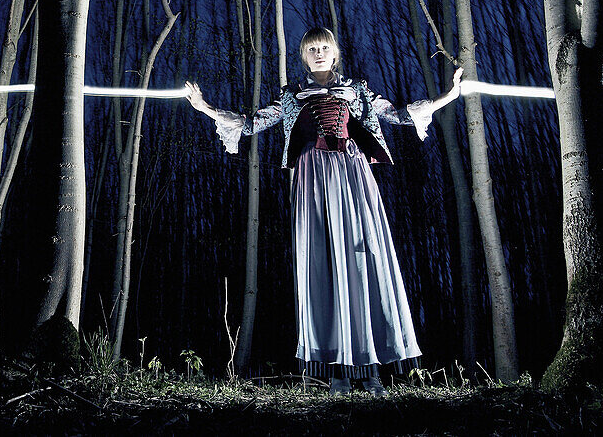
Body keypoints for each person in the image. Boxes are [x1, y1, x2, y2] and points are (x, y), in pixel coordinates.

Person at [185, 27, 462, 395]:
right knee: (323, 264)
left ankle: (369, 367)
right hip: (312, 177)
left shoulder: (358, 90)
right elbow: (252, 124)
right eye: (311, 48)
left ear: (335, 54)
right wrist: (204, 107)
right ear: (303, 56)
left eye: (324, 48)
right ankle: (337, 371)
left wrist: (450, 95)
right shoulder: (292, 96)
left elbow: (397, 115)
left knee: (363, 260)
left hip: (352, 172)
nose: (318, 53)